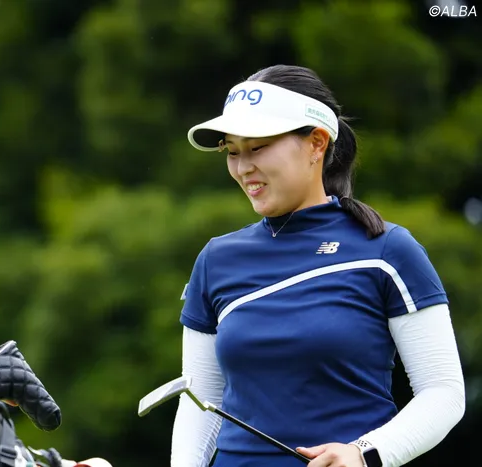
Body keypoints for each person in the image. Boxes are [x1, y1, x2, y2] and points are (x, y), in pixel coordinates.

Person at [170, 65, 466, 467]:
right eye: (233, 151)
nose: (243, 168)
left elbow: (443, 391)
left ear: (316, 143)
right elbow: (201, 400)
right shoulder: (215, 259)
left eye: (258, 148)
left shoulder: (387, 249)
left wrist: (364, 453)